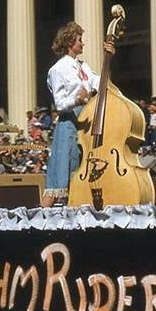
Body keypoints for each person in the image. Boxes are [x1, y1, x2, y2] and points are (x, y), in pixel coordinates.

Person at [42, 22, 116, 207]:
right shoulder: (57, 69)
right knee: (62, 172)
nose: (83, 44)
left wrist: (109, 58)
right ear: (69, 42)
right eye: (79, 40)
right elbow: (59, 103)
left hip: (87, 121)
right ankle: (41, 218)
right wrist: (76, 99)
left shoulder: (83, 66)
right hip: (69, 123)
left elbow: (100, 83)